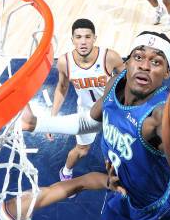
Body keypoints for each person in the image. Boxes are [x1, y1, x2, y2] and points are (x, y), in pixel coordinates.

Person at [20, 31, 170, 220]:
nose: (145, 66)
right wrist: (36, 124)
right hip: (116, 190)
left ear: (167, 74)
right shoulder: (116, 84)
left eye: (156, 61)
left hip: (155, 204)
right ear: (127, 63)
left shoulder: (159, 115)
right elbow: (90, 122)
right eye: (139, 57)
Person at [49, 18, 125, 181]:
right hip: (87, 113)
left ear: (94, 38)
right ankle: (66, 171)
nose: (83, 42)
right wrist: (52, 117)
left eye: (87, 37)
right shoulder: (64, 62)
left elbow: (126, 76)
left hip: (112, 111)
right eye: (78, 37)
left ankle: (121, 174)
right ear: (72, 40)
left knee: (120, 146)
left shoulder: (109, 57)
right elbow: (62, 87)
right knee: (82, 150)